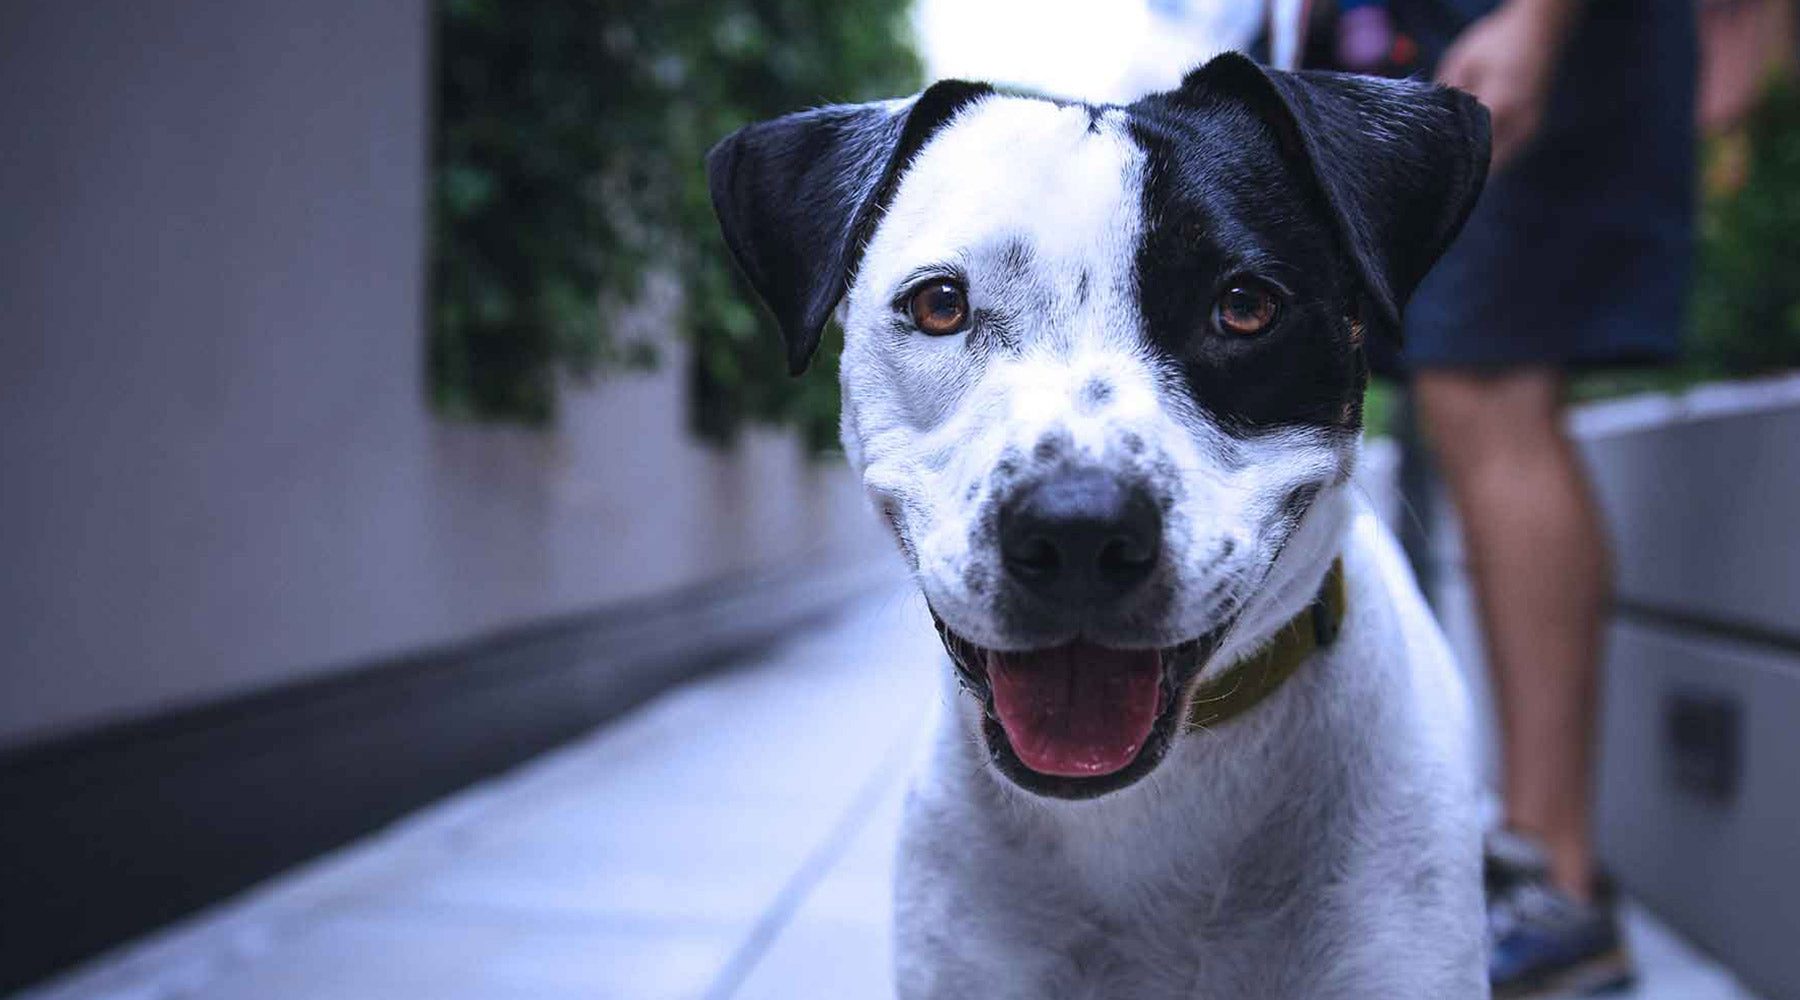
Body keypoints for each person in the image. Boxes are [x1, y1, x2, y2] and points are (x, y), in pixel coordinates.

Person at [1373, 0, 1697, 996]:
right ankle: (1532, 868)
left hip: (1514, 35)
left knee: (1490, 384)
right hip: (1445, 40)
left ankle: (1555, 881)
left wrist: (1536, 23)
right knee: (1460, 389)